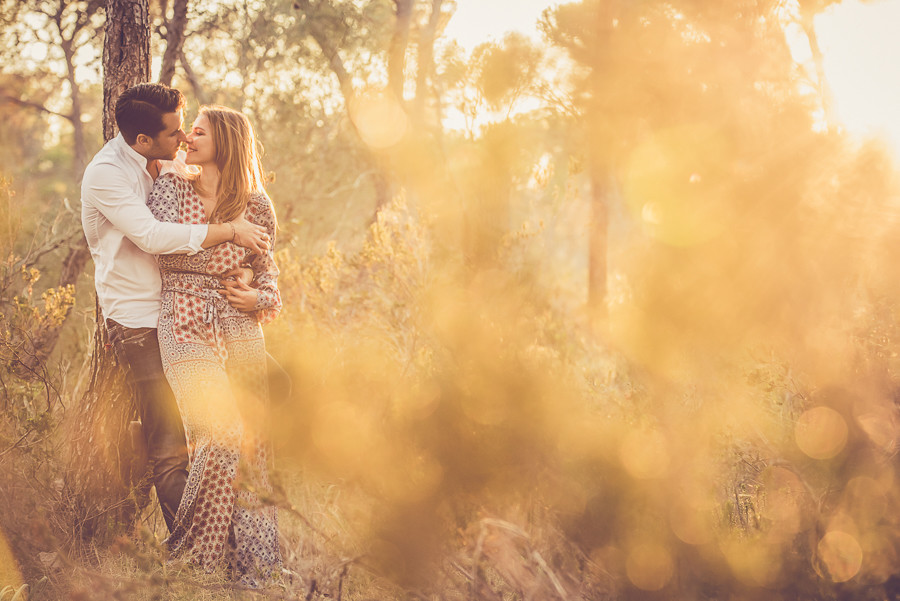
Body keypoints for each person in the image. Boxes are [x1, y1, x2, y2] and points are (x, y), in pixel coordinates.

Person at [80, 83, 270, 535]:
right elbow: (153, 236)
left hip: (188, 316)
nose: (184, 138)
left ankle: (224, 538)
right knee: (169, 444)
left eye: (188, 128)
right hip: (141, 320)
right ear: (143, 140)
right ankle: (195, 549)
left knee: (231, 417)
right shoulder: (107, 174)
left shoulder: (164, 161)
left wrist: (248, 281)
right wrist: (230, 231)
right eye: (174, 132)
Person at [147, 105, 282, 586]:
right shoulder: (171, 186)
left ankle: (250, 567)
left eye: (199, 132)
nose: (187, 138)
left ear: (225, 140)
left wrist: (256, 294)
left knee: (250, 444)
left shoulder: (257, 205)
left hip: (240, 327)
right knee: (220, 429)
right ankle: (191, 560)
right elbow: (158, 243)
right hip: (183, 319)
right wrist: (221, 251)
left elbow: (271, 278)